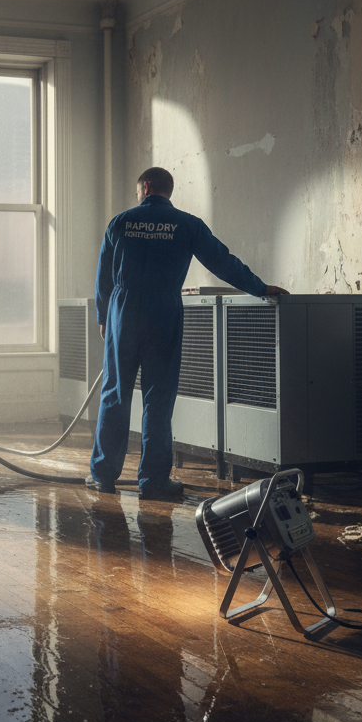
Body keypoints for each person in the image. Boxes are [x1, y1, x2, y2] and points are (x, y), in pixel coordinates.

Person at [88, 167, 288, 500]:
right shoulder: (187, 224)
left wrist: (103, 317)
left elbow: (103, 277)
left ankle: (103, 476)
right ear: (167, 190)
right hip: (164, 311)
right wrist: (260, 287)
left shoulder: (121, 222)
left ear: (145, 187)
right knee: (158, 398)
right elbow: (222, 261)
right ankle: (153, 482)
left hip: (124, 312)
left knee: (115, 394)